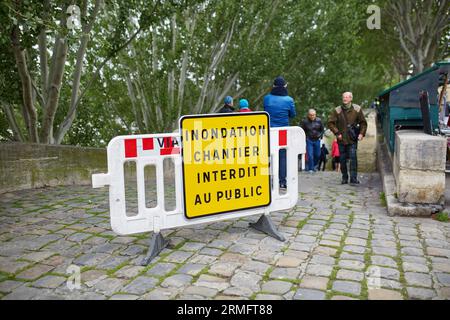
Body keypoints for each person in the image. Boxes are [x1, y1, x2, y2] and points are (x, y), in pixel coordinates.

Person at [327, 92, 367, 185]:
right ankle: (344, 177)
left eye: (346, 97)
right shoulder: (337, 110)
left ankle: (353, 178)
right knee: (342, 159)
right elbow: (330, 123)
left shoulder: (357, 109)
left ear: (351, 98)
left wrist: (361, 134)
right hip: (341, 139)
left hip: (352, 138)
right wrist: (337, 133)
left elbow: (363, 123)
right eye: (343, 97)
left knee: (353, 158)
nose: (344, 98)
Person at [263, 76, 296, 190]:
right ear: (285, 86)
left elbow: (265, 112)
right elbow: (292, 114)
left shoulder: (267, 98)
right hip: (283, 131)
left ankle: (269, 179)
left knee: (270, 155)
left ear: (273, 86)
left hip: (270, 130)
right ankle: (282, 181)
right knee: (282, 156)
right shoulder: (289, 100)